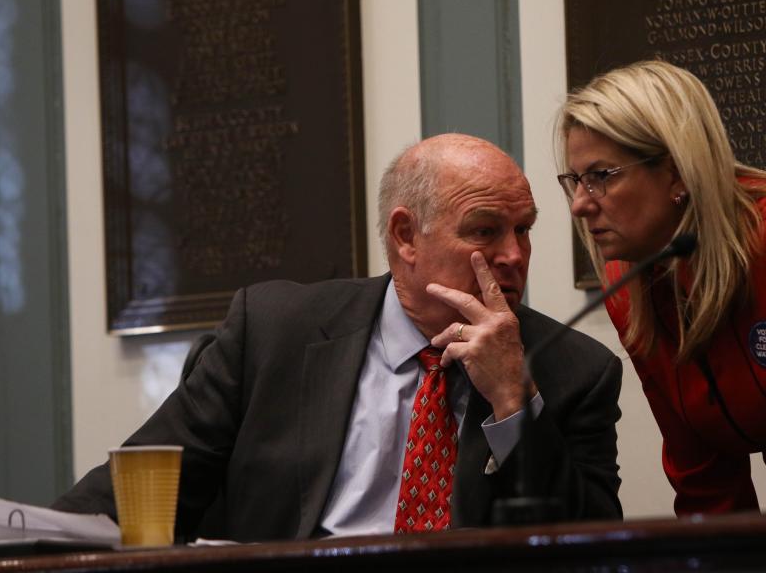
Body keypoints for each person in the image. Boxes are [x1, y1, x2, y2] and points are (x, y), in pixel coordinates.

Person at [54, 134, 623, 540]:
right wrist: (30, 538)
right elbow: (141, 489)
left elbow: (595, 545)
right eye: (485, 231)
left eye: (524, 230)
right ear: (406, 236)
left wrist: (512, 401)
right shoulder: (274, 332)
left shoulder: (571, 368)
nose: (514, 255)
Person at [554, 61, 766, 514]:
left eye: (601, 176)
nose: (579, 204)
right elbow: (704, 478)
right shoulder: (630, 286)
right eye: (575, 180)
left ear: (675, 173)